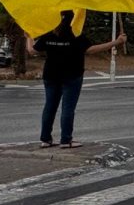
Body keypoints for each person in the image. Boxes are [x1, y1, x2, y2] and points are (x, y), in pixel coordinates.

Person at [30, 10, 126, 148]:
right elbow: (91, 49)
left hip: (50, 75)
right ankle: (66, 140)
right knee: (68, 108)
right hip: (72, 75)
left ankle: (45, 139)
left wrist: (28, 36)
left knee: (49, 107)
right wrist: (116, 42)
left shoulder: (49, 34)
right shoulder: (76, 34)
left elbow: (32, 51)